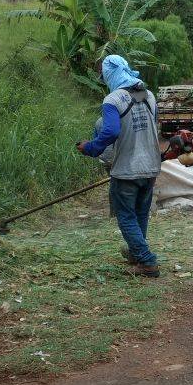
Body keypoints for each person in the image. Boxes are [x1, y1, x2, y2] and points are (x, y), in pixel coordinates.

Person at [77, 55, 163, 278]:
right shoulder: (149, 95)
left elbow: (111, 131)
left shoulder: (113, 99)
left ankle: (147, 260)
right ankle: (136, 253)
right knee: (140, 213)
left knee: (125, 216)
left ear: (109, 75)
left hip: (127, 168)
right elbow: (152, 128)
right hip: (151, 166)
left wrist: (91, 147)